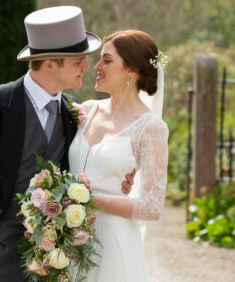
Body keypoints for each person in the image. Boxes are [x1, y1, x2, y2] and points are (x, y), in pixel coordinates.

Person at [0, 6, 134, 282]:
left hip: (47, 259)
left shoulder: (74, 112)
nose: (87, 67)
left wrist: (121, 177)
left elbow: (85, 164)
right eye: (78, 61)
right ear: (49, 64)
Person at [68, 30, 169, 282]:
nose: (97, 67)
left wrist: (88, 200)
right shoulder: (86, 111)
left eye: (107, 60)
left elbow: (152, 207)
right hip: (68, 236)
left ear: (132, 70)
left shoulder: (150, 127)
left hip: (112, 241)